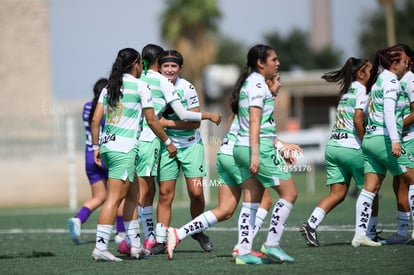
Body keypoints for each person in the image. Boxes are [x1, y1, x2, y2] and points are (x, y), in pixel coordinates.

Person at [168, 45, 302, 265]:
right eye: (277, 77)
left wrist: (279, 145)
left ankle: (180, 234)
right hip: (241, 152)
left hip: (229, 153)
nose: (279, 80)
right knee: (269, 200)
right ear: (264, 72)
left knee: (227, 209)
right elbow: (254, 127)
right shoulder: (259, 89)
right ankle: (258, 245)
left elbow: (260, 130)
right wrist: (258, 154)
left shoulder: (250, 89)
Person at [132, 44, 221, 256]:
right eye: (166, 65)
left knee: (197, 193)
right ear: (159, 66)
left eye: (174, 66)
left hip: (191, 145)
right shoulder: (151, 84)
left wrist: (166, 124)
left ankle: (197, 230)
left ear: (180, 68)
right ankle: (161, 241)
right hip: (166, 147)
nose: (170, 69)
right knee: (165, 194)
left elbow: (194, 123)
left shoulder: (187, 88)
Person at [90, 47, 177, 262]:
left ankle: (135, 246)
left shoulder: (109, 87)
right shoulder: (140, 86)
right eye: (140, 65)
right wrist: (167, 142)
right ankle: (100, 247)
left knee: (132, 196)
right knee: (114, 198)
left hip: (109, 147)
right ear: (136, 63)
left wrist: (95, 147)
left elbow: (95, 120)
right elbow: (152, 120)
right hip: (124, 149)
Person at [299, 57, 376, 247]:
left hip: (333, 147)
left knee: (337, 193)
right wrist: (368, 143)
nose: (375, 74)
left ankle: (310, 224)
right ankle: (370, 233)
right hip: (352, 148)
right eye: (371, 70)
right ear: (360, 73)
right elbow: (358, 121)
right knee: (371, 189)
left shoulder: (346, 91)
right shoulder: (362, 91)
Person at [352, 45, 414, 247]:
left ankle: (360, 235)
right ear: (395, 63)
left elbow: (369, 110)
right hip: (384, 139)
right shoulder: (392, 81)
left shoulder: (378, 80)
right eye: (405, 61)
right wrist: (395, 140)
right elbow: (388, 111)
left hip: (369, 139)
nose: (408, 63)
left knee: (370, 188)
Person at [67, 78, 126, 245]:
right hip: (106, 154)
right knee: (120, 195)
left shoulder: (87, 107)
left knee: (99, 196)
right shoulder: (109, 108)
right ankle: (121, 233)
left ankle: (78, 219)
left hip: (90, 154)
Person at [384, 44, 414, 244]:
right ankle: (402, 232)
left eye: (400, 57)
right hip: (398, 138)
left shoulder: (410, 80)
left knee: (410, 180)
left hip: (409, 138)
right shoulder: (393, 80)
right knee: (398, 183)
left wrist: (396, 126)